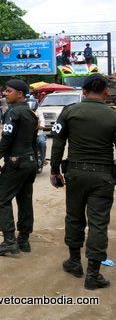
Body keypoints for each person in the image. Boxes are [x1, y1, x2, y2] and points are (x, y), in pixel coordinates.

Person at [49, 73, 115, 290]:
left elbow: (58, 142)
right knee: (98, 223)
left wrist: (55, 170)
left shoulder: (70, 111)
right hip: (104, 176)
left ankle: (75, 262)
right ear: (106, 91)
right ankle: (93, 274)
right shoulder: (112, 115)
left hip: (75, 174)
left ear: (83, 91)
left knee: (74, 217)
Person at [0, 79, 38, 256]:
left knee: (1, 198)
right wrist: (36, 162)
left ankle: (9, 241)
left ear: (20, 94)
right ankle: (23, 239)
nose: (5, 94)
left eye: (9, 91)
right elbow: (34, 142)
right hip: (30, 162)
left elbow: (7, 138)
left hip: (17, 162)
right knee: (24, 199)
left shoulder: (13, 112)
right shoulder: (31, 114)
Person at [27, 96, 47, 173]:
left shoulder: (39, 112)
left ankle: (42, 159)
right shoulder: (24, 112)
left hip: (38, 134)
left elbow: (42, 125)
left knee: (42, 142)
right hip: (27, 135)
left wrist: (36, 125)